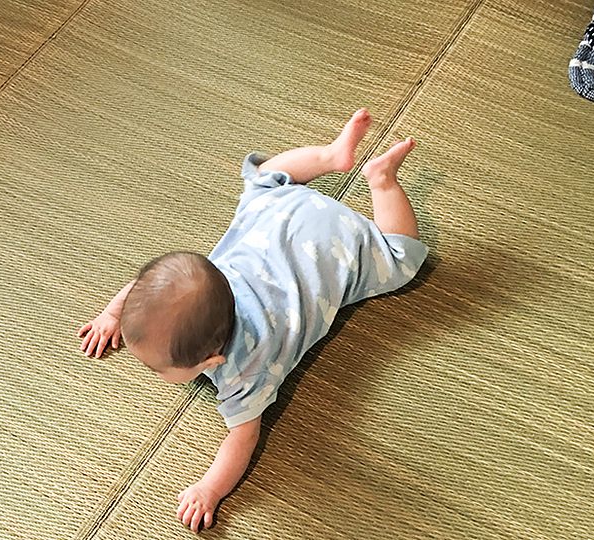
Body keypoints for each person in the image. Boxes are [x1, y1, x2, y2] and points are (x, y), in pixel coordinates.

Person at [78, 109, 428, 532]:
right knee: (263, 177)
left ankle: (381, 181)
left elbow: (242, 439)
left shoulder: (245, 371)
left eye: (157, 368)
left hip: (340, 244)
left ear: (211, 362)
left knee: (400, 259)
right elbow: (142, 286)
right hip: (282, 209)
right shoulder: (204, 282)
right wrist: (112, 315)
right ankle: (331, 156)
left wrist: (210, 489)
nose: (149, 370)